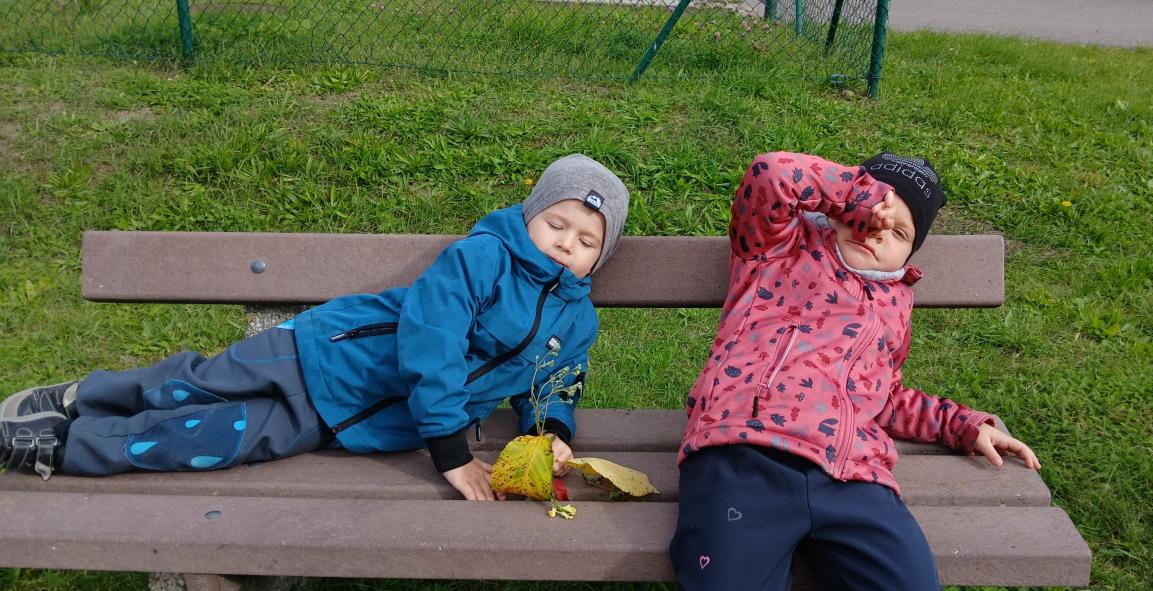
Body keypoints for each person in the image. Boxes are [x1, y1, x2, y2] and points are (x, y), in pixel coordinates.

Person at [0, 153, 629, 502]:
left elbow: (555, 381)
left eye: (586, 241)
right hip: (318, 354)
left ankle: (64, 446)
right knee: (194, 386)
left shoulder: (577, 321)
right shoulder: (482, 258)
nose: (565, 244)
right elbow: (432, 340)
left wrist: (549, 432)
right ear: (529, 216)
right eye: (557, 224)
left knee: (210, 440)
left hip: (346, 421)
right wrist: (448, 447)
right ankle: (85, 397)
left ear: (599, 258)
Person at [669, 151, 1040, 590]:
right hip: (744, 456)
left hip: (854, 479)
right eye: (870, 213)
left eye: (898, 232)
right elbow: (771, 174)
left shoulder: (896, 305)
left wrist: (961, 425)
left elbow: (885, 396)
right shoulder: (775, 250)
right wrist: (859, 195)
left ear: (909, 253)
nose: (877, 230)